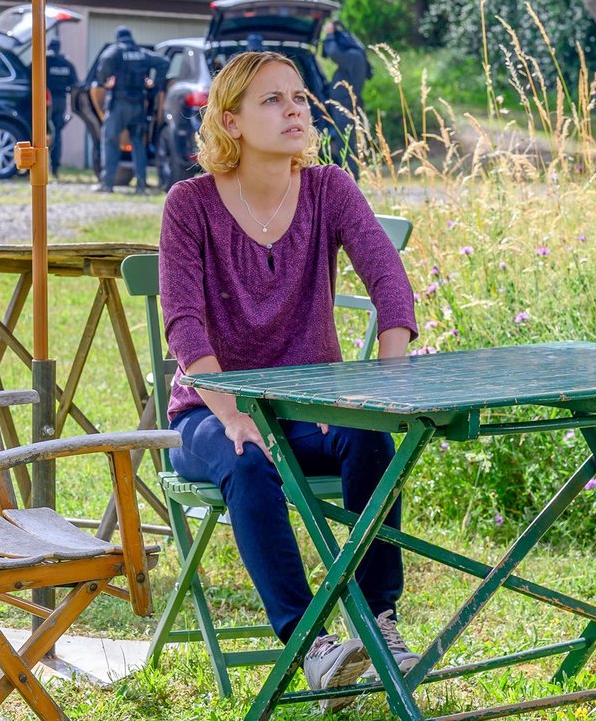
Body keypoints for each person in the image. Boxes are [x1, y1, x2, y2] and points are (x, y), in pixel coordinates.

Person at [158, 50, 419, 709]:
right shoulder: (189, 205)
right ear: (231, 121)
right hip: (209, 412)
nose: (294, 109)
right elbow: (183, 325)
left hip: (307, 406)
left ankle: (378, 623)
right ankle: (312, 647)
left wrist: (384, 386)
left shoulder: (330, 189)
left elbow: (389, 282)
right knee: (247, 460)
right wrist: (233, 413)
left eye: (299, 97)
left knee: (370, 440)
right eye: (272, 100)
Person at [95, 25, 164, 193]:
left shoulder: (115, 51)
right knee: (138, 143)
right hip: (138, 105)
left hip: (118, 104)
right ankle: (141, 184)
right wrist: (155, 84)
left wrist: (104, 81)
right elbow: (164, 62)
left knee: (110, 142)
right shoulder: (142, 53)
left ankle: (107, 184)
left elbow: (103, 65)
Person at [320, 18, 372, 175]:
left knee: (346, 143)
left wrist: (330, 35)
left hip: (345, 106)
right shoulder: (354, 58)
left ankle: (351, 177)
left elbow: (333, 53)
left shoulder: (354, 56)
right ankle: (348, 175)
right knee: (345, 141)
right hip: (342, 105)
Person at [43, 37, 78, 178]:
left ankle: (36, 167)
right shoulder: (66, 63)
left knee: (41, 132)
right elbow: (75, 83)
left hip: (45, 101)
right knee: (57, 134)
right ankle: (55, 168)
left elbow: (29, 75)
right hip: (61, 101)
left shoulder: (44, 60)